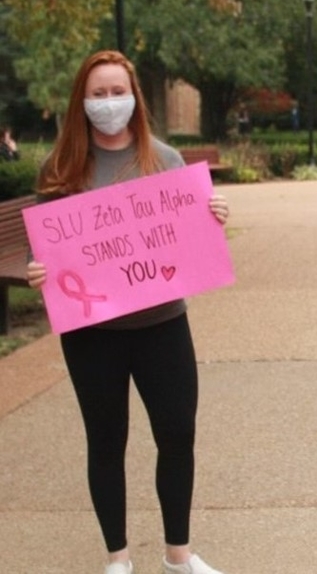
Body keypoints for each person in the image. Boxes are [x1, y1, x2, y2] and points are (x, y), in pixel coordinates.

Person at [25, 50, 230, 574]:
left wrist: (212, 217)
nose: (110, 103)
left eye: (119, 92)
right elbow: (49, 252)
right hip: (93, 334)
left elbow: (188, 237)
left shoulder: (164, 160)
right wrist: (38, 273)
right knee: (106, 438)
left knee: (177, 433)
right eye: (99, 94)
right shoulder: (61, 169)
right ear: (82, 102)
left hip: (162, 325)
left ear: (135, 98)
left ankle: (178, 555)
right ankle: (117, 557)